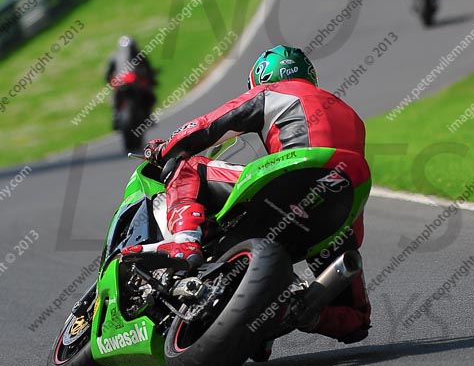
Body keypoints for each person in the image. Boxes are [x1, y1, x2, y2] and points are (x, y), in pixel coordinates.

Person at [125, 45, 372, 344]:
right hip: (338, 206)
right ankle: (307, 313)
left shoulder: (273, 92)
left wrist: (165, 148)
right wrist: (344, 236)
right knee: (357, 319)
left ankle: (184, 243)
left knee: (188, 166)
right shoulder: (352, 115)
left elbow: (208, 126)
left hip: (290, 178)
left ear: (262, 76)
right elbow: (349, 185)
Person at [105, 36, 157, 128]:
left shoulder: (139, 56)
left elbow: (148, 70)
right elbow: (108, 74)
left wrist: (151, 79)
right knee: (114, 99)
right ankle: (116, 117)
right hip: (123, 84)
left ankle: (147, 115)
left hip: (134, 84)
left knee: (149, 96)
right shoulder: (115, 57)